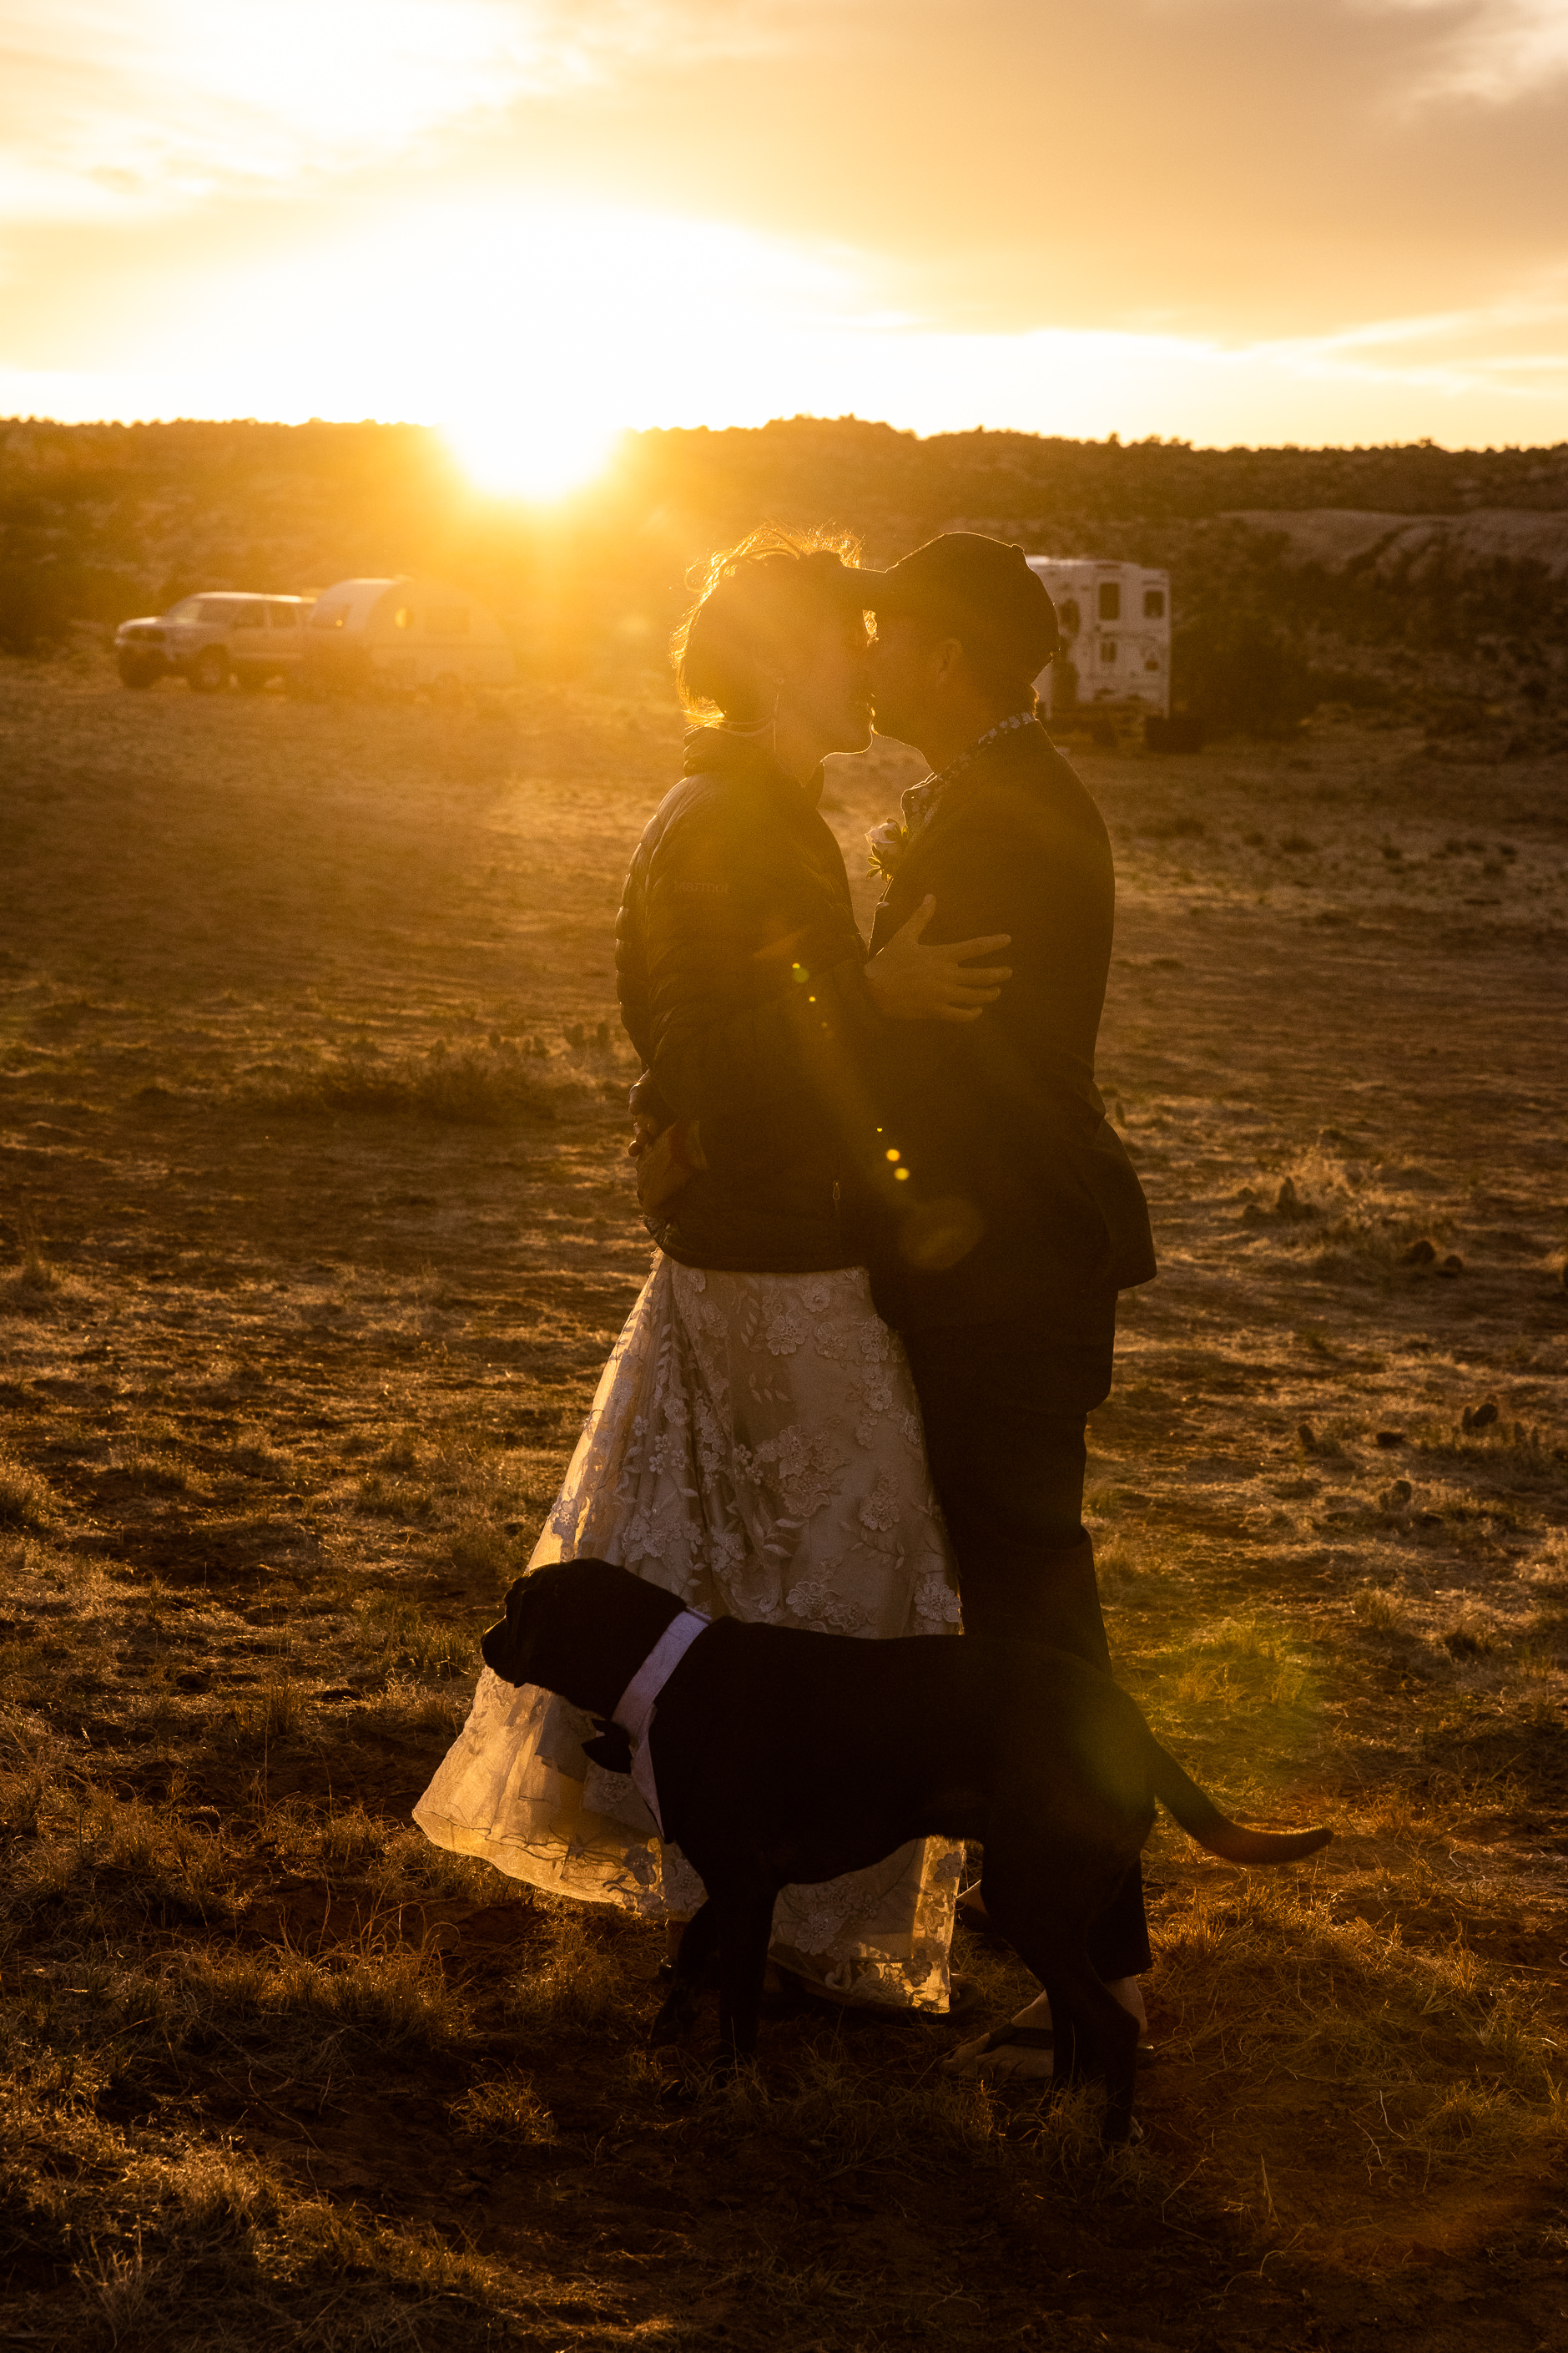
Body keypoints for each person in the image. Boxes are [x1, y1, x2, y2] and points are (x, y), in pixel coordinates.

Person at [414, 528, 1011, 2013]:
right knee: (845, 1574)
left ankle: (729, 1875)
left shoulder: (765, 810)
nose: (869, 657)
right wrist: (870, 993)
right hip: (771, 1260)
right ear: (773, 661)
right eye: (841, 636)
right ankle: (802, 1906)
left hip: (763, 1242)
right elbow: (698, 1056)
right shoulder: (733, 820)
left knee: (738, 1563)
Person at [850, 533, 1159, 2074]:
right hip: (1013, 1255)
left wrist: (836, 1006)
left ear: (951, 654)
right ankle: (1049, 1916)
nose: (867, 646)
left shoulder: (996, 820)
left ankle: (1103, 1965)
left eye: (887, 627)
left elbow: (922, 1054)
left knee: (1039, 1617)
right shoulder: (998, 792)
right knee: (1019, 1598)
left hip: (1015, 1264)